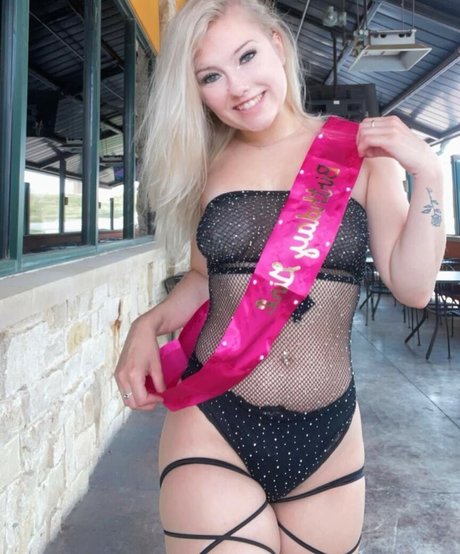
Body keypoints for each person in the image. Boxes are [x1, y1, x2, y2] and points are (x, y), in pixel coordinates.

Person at [114, 0, 445, 552]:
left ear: (276, 43)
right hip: (215, 421)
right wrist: (146, 325)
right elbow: (202, 278)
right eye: (211, 76)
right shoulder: (207, 165)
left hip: (329, 436)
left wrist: (431, 173)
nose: (238, 88)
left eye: (246, 57)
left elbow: (413, 287)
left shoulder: (361, 154)